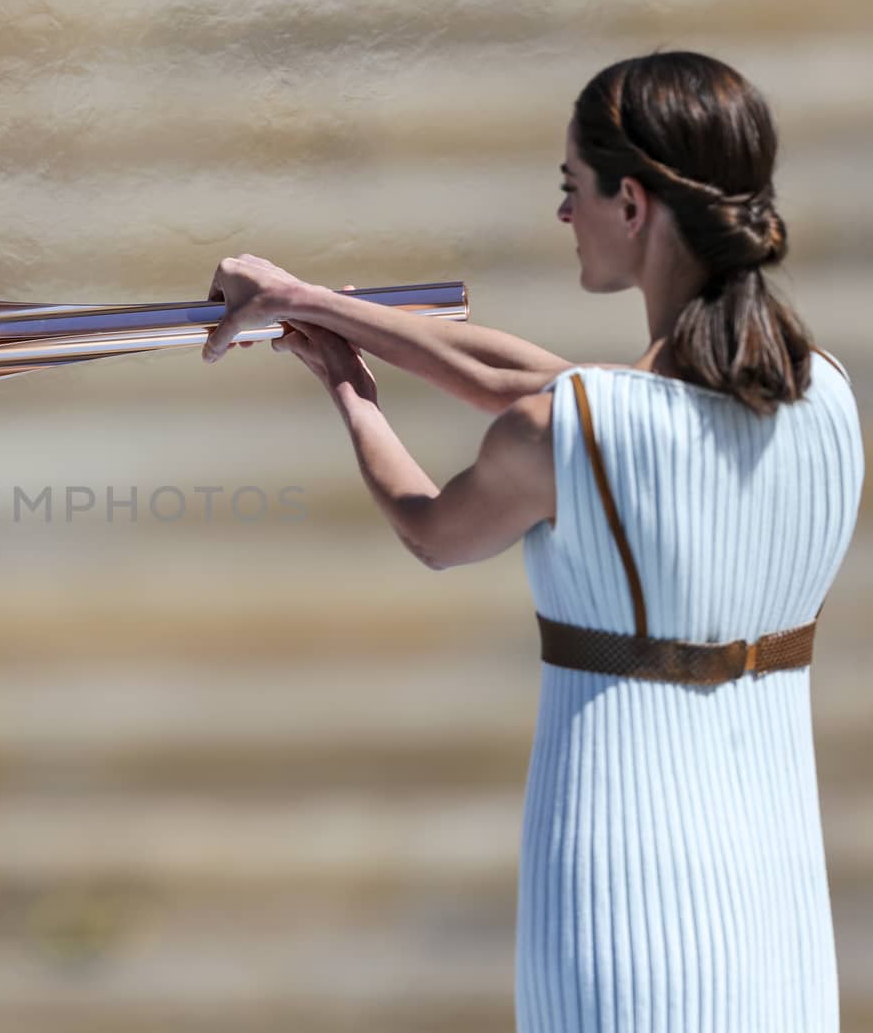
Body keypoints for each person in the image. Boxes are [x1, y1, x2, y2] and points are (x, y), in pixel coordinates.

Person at [202, 50, 863, 1031]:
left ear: (630, 204)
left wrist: (346, 384)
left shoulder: (575, 429)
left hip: (621, 896)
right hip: (778, 895)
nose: (563, 216)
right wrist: (317, 303)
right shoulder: (826, 399)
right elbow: (542, 386)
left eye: (572, 189)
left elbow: (433, 528)